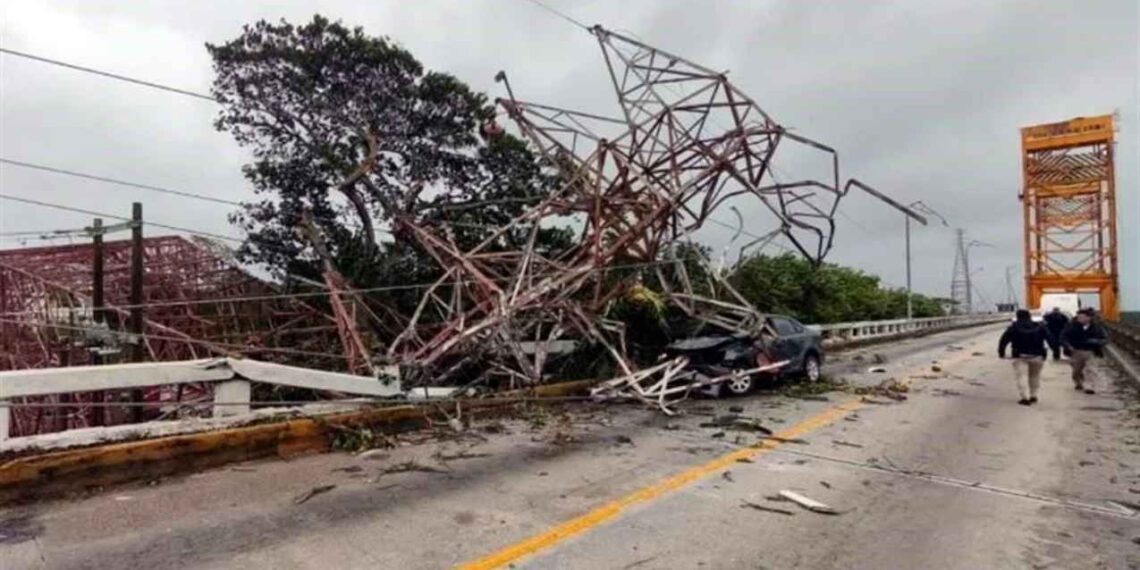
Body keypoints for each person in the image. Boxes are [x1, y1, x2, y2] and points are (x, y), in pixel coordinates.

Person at [998, 309, 1057, 406]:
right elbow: (1051, 339)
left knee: (1022, 377)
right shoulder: (1040, 327)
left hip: (1019, 355)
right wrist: (1056, 352)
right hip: (1038, 355)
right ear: (1029, 316)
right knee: (1035, 376)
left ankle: (1024, 397)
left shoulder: (1013, 328)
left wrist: (1001, 353)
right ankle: (1033, 395)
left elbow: (1003, 340)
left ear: (1017, 316)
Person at [1060, 308, 1109, 394]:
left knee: (1091, 369)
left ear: (1088, 318)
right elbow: (1063, 337)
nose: (1080, 318)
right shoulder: (1071, 326)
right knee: (1076, 370)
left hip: (1091, 351)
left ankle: (1090, 386)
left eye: (1082, 317)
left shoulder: (1097, 327)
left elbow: (1105, 339)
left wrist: (1095, 341)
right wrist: (1068, 346)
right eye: (1079, 317)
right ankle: (1078, 382)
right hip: (1076, 351)